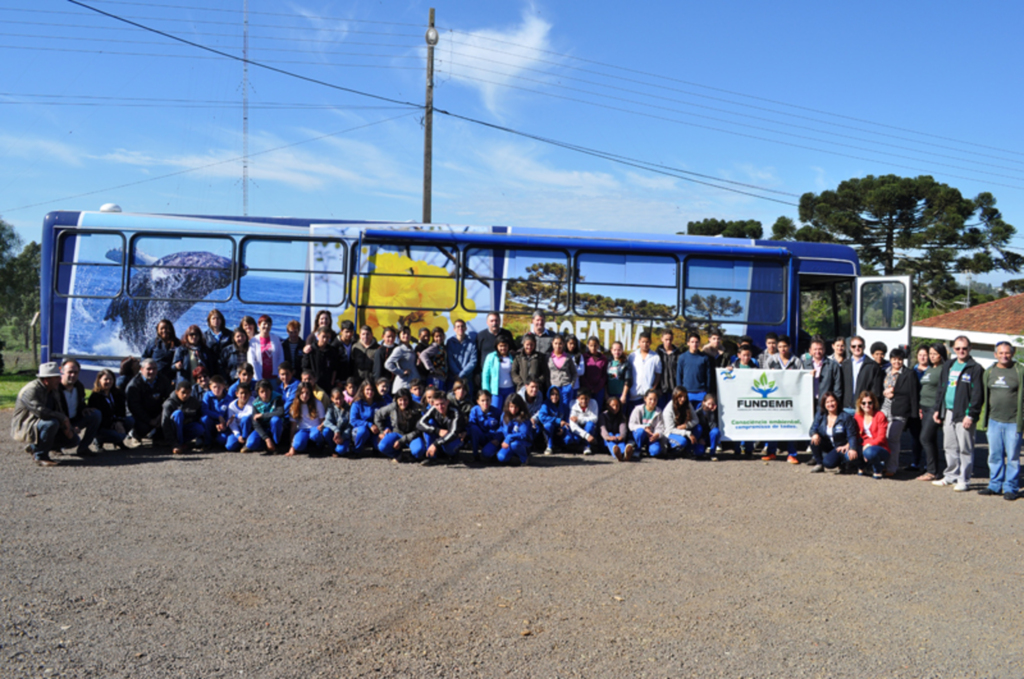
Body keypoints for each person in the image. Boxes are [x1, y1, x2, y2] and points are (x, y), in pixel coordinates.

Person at [932, 336, 984, 492]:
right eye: (958, 348)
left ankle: (964, 480)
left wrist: (971, 415)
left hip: (964, 413)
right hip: (948, 411)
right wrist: (937, 409)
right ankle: (950, 476)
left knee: (965, 448)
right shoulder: (948, 365)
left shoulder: (975, 368)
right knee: (949, 446)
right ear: (953, 349)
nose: (961, 351)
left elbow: (977, 395)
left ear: (970, 348)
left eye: (964, 348)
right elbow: (941, 389)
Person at [977, 341, 1023, 501]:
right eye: (1001, 353)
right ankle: (995, 485)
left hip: (1013, 422)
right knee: (995, 455)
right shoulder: (989, 372)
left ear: (1012, 353)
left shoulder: (1019, 371)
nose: (1004, 356)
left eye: (1007, 353)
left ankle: (1011, 488)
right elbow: (983, 394)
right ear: (995, 354)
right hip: (994, 421)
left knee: (1013, 458)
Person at [13, 362, 79, 466]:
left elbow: (59, 409)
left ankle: (34, 447)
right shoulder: (31, 390)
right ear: (47, 379)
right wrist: (63, 418)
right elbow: (40, 411)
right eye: (56, 377)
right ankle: (40, 456)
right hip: (28, 424)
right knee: (51, 423)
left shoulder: (53, 389)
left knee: (74, 440)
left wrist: (68, 427)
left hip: (47, 422)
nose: (59, 379)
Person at [762, 335, 804, 463]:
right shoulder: (771, 360)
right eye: (780, 346)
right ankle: (771, 452)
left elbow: (802, 379)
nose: (782, 349)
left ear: (789, 346)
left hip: (791, 400)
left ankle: (792, 454)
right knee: (774, 425)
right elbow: (763, 376)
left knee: (791, 426)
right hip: (775, 399)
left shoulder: (796, 361)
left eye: (785, 346)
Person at [881, 348, 918, 477]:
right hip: (884, 410)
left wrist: (914, 415)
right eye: (894, 359)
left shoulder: (908, 374)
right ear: (890, 360)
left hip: (900, 411)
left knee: (893, 439)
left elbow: (912, 393)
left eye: (899, 359)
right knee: (882, 438)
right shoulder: (885, 372)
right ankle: (883, 465)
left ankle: (892, 467)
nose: (897, 362)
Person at [915, 343, 948, 482]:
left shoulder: (943, 369)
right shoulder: (930, 369)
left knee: (925, 438)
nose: (932, 356)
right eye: (930, 354)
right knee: (931, 439)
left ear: (941, 355)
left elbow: (943, 391)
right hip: (924, 408)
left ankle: (932, 471)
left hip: (934, 408)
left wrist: (937, 409)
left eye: (935, 354)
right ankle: (934, 469)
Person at [808, 391, 860, 473]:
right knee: (813, 440)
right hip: (828, 445)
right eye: (827, 402)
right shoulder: (820, 415)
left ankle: (845, 464)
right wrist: (814, 434)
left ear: (837, 402)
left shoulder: (845, 417)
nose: (830, 404)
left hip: (841, 446)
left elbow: (852, 435)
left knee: (828, 463)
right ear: (824, 404)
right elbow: (812, 429)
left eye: (832, 401)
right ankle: (819, 464)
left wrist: (851, 447)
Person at [58, 359, 102, 456]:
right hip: (60, 423)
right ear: (61, 371)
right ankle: (52, 447)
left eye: (76, 372)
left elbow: (80, 403)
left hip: (74, 420)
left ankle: (84, 448)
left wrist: (85, 408)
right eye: (70, 372)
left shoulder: (79, 386)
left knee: (95, 414)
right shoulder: (55, 388)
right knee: (73, 440)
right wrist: (69, 427)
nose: (73, 375)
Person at [126, 358, 173, 440]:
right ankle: (134, 434)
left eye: (154, 369)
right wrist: (149, 420)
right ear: (141, 369)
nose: (152, 371)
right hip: (140, 416)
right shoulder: (134, 385)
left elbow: (170, 398)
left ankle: (156, 436)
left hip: (158, 414)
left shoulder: (163, 380)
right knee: (143, 428)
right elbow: (134, 407)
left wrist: (161, 416)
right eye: (149, 369)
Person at [413, 391, 464, 465]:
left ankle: (452, 456)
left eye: (442, 404)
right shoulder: (433, 409)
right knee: (429, 424)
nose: (440, 407)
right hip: (441, 436)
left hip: (455, 437)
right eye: (437, 404)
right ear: (433, 404)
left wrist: (435, 444)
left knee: (449, 448)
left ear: (447, 402)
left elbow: (453, 433)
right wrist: (438, 431)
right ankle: (431, 457)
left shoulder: (455, 412)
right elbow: (419, 424)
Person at [88, 369, 132, 450]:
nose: (108, 381)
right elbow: (100, 417)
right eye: (106, 379)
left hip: (115, 422)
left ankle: (119, 442)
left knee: (131, 420)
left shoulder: (118, 393)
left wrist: (119, 421)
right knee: (119, 436)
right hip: (103, 427)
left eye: (111, 379)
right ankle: (99, 440)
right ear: (99, 380)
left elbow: (121, 410)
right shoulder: (95, 397)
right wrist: (114, 424)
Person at [841, 336, 884, 414]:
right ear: (850, 348)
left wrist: (870, 406)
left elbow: (876, 390)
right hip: (846, 408)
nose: (856, 348)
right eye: (854, 346)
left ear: (864, 347)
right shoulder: (845, 365)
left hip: (863, 409)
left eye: (859, 346)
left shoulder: (873, 366)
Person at [375, 388, 421, 461]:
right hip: (397, 433)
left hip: (412, 435)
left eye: (405, 400)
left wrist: (401, 441)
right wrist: (382, 430)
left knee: (419, 451)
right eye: (400, 400)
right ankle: (398, 454)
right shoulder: (393, 407)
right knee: (382, 446)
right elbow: (378, 415)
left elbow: (419, 430)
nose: (403, 403)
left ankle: (410, 456)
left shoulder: (417, 408)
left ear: (409, 399)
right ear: (396, 400)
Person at [161, 381, 206, 455]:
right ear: (176, 392)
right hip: (173, 431)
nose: (185, 395)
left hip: (185, 428)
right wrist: (172, 443)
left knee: (199, 428)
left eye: (188, 393)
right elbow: (165, 424)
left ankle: (184, 442)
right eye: (183, 392)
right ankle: (177, 444)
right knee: (178, 414)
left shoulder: (193, 402)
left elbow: (198, 416)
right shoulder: (169, 404)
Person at [854, 391, 890, 479]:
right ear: (860, 404)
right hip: (864, 444)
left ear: (874, 403)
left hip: (880, 447)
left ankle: (878, 469)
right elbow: (856, 435)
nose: (867, 405)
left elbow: (881, 437)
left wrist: (869, 445)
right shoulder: (857, 416)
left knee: (869, 452)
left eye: (870, 402)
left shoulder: (880, 415)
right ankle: (862, 466)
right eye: (864, 403)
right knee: (850, 452)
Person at [285, 383, 326, 456]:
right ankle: (305, 446)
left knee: (315, 435)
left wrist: (321, 427)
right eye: (302, 393)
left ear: (310, 394)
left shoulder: (317, 403)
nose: (305, 395)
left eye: (307, 393)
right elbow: (293, 427)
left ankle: (320, 445)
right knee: (298, 445)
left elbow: (323, 420)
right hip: (302, 429)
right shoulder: (294, 406)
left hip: (315, 427)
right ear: (298, 393)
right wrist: (292, 446)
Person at [676, 332, 713, 413]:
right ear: (688, 343)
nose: (694, 344)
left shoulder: (704, 358)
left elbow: (708, 375)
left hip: (701, 392)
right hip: (687, 392)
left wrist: (707, 390)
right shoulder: (682, 357)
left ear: (699, 343)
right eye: (692, 342)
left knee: (701, 416)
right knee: (687, 416)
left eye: (696, 342)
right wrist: (679, 391)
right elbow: (679, 375)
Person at [489, 393, 530, 465]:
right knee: (501, 457)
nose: (513, 409)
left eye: (516, 407)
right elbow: (501, 428)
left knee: (515, 444)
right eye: (511, 406)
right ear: (507, 406)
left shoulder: (524, 417)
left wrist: (508, 438)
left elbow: (524, 434)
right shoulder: (504, 415)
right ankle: (514, 458)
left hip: (521, 443)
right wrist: (497, 438)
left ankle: (524, 459)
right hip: (508, 444)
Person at [248, 379, 285, 454]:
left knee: (275, 420)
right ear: (258, 393)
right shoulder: (255, 403)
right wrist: (266, 439)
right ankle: (266, 445)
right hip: (263, 427)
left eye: (267, 391)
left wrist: (262, 415)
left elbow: (280, 412)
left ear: (271, 390)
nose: (265, 394)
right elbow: (255, 423)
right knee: (250, 444)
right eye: (262, 392)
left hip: (275, 427)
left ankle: (276, 445)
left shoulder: (277, 398)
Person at [627, 332, 662, 412]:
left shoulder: (655, 357)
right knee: (634, 416)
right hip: (634, 392)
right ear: (639, 342)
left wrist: (653, 388)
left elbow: (658, 374)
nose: (645, 344)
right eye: (643, 342)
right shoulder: (632, 356)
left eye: (647, 342)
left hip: (648, 394)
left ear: (650, 342)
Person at [476, 312, 515, 381]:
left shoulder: (506, 334)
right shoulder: (481, 335)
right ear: (487, 322)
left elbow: (513, 350)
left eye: (496, 320)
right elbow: (477, 355)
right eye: (492, 321)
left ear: (500, 321)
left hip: (503, 375)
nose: (494, 323)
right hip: (486, 374)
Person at [662, 387, 698, 458]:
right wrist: (687, 433)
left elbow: (696, 420)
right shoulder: (668, 409)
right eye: (680, 396)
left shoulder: (688, 404)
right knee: (683, 441)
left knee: (698, 428)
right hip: (671, 433)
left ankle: (687, 451)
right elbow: (670, 429)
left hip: (683, 430)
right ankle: (672, 450)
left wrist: (686, 426)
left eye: (685, 396)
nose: (683, 399)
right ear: (675, 396)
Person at [481, 336, 515, 410]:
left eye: (505, 345)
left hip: (510, 389)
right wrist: (486, 392)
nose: (503, 348)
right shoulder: (491, 357)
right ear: (497, 346)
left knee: (508, 412)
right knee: (495, 411)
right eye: (501, 346)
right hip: (496, 391)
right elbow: (485, 375)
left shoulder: (512, 357)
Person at [303, 327, 339, 396]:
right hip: (313, 385)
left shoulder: (332, 351)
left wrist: (332, 382)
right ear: (318, 336)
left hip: (327, 386)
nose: (325, 339)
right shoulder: (311, 350)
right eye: (323, 337)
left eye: (327, 337)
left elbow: (335, 368)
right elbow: (305, 367)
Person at [468, 390, 502, 461]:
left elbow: (502, 427)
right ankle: (475, 454)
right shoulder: (474, 410)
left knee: (486, 453)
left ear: (491, 400)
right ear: (478, 401)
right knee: (473, 428)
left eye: (487, 400)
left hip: (492, 439)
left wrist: (497, 439)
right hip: (481, 437)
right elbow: (472, 425)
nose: (485, 403)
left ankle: (494, 453)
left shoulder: (497, 412)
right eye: (482, 400)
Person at [248, 315, 284, 381]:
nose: (266, 326)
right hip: (259, 377)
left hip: (274, 377)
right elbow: (252, 361)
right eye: (264, 324)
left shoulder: (276, 339)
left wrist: (280, 375)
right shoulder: (254, 340)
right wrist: (258, 378)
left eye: (269, 324)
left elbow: (280, 357)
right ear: (258, 325)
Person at [142, 319, 180, 383]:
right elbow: (144, 357)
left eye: (167, 328)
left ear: (171, 329)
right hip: (154, 379)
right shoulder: (153, 343)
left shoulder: (177, 343)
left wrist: (175, 380)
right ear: (157, 330)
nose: (164, 330)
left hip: (171, 380)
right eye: (161, 328)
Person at [629, 389, 664, 458]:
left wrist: (657, 434)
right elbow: (631, 425)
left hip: (651, 436)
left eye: (655, 399)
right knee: (640, 432)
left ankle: (648, 449)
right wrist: (644, 428)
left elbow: (660, 427)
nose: (652, 402)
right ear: (645, 399)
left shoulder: (658, 411)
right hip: (640, 434)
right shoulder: (638, 409)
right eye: (650, 399)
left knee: (656, 451)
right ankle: (637, 449)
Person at [349, 380, 382, 452]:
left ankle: (375, 448)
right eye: (367, 389)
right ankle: (357, 450)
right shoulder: (357, 403)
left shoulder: (380, 403)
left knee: (381, 447)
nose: (370, 392)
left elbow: (385, 418)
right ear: (363, 390)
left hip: (376, 431)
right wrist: (369, 425)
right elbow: (353, 420)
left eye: (372, 390)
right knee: (363, 431)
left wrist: (382, 430)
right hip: (361, 429)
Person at [201, 375, 232, 449]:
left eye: (219, 387)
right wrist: (218, 416)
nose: (217, 389)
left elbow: (230, 414)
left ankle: (217, 441)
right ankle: (208, 442)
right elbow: (204, 410)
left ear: (223, 386)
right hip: (211, 422)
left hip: (223, 424)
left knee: (222, 440)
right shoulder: (207, 395)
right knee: (204, 419)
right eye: (214, 387)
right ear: (210, 387)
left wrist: (224, 424)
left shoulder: (229, 399)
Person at [446, 319, 477, 393]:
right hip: (453, 379)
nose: (460, 328)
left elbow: (473, 361)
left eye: (462, 326)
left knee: (468, 401)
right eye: (458, 326)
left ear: (466, 328)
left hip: (467, 379)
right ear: (454, 329)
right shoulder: (450, 342)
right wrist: (457, 374)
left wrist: (461, 374)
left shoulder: (471, 343)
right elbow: (450, 359)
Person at [537, 386, 570, 455]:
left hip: (559, 430)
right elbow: (542, 417)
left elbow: (567, 420)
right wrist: (558, 421)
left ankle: (560, 446)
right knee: (548, 425)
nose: (554, 396)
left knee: (568, 439)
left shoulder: (564, 406)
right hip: (550, 429)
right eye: (552, 394)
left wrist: (563, 428)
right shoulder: (545, 404)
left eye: (557, 394)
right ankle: (549, 446)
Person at [385, 326, 419, 393]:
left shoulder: (411, 349)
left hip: (413, 384)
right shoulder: (399, 349)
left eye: (408, 333)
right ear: (399, 336)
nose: (406, 335)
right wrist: (401, 372)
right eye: (404, 333)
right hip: (404, 384)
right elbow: (387, 364)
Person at [567, 389, 600, 454]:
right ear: (578, 398)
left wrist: (579, 418)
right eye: (581, 399)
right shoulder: (573, 404)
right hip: (578, 429)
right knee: (571, 439)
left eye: (586, 399)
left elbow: (595, 418)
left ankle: (587, 446)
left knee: (590, 425)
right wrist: (586, 436)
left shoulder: (593, 403)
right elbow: (573, 426)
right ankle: (579, 446)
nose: (584, 401)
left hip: (588, 427)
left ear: (589, 398)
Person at [548, 335, 578, 406]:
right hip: (553, 387)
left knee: (565, 408)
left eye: (560, 343)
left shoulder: (568, 357)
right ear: (552, 343)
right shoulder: (548, 357)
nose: (558, 346)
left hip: (566, 387)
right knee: (554, 408)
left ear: (564, 344)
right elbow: (546, 373)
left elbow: (574, 373)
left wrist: (571, 385)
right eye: (556, 343)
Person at [323, 388, 353, 457]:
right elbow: (327, 422)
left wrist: (343, 437)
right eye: (336, 399)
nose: (339, 401)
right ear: (332, 399)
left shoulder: (349, 408)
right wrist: (336, 430)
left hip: (344, 434)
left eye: (340, 398)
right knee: (326, 431)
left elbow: (350, 424)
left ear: (343, 397)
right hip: (334, 434)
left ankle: (342, 448)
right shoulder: (331, 408)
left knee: (341, 451)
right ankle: (332, 448)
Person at [225, 384, 254, 453]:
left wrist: (236, 415)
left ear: (250, 393)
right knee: (229, 446)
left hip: (249, 428)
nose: (244, 395)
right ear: (236, 394)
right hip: (238, 429)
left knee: (245, 419)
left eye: (246, 393)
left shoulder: (253, 401)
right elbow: (232, 423)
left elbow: (250, 414)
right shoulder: (231, 405)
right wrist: (238, 435)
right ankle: (240, 441)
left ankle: (245, 440)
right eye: (241, 393)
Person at [600, 396, 630, 461]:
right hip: (605, 440)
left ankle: (624, 453)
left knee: (617, 435)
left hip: (616, 438)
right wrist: (608, 437)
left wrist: (621, 436)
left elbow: (623, 428)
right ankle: (617, 453)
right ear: (608, 406)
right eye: (612, 405)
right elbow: (603, 429)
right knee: (610, 434)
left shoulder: (622, 416)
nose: (615, 408)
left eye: (617, 406)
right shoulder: (603, 415)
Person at [693, 393, 722, 460]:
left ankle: (712, 453)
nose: (710, 406)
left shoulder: (715, 413)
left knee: (715, 431)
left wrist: (712, 413)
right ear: (703, 402)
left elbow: (714, 427)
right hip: (701, 438)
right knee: (699, 453)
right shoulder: (697, 413)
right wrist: (700, 438)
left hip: (710, 437)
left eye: (712, 404)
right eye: (708, 403)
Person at [581, 337, 608, 407]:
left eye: (595, 345)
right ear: (588, 346)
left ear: (598, 346)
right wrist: (589, 387)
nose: (593, 347)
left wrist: (597, 388)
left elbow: (604, 375)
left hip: (599, 389)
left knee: (598, 408)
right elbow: (582, 374)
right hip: (586, 388)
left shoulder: (603, 358)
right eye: (591, 345)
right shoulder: (584, 357)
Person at [656, 329, 679, 408]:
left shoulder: (678, 353)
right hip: (661, 389)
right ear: (662, 339)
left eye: (670, 339)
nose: (668, 342)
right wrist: (657, 387)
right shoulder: (656, 353)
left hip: (674, 389)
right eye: (666, 339)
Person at [606, 341, 632, 407]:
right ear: (611, 350)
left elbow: (628, 380)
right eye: (614, 350)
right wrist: (606, 395)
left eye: (619, 350)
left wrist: (624, 395)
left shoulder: (626, 363)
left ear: (622, 350)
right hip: (610, 394)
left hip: (621, 394)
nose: (617, 352)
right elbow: (605, 379)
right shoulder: (608, 362)